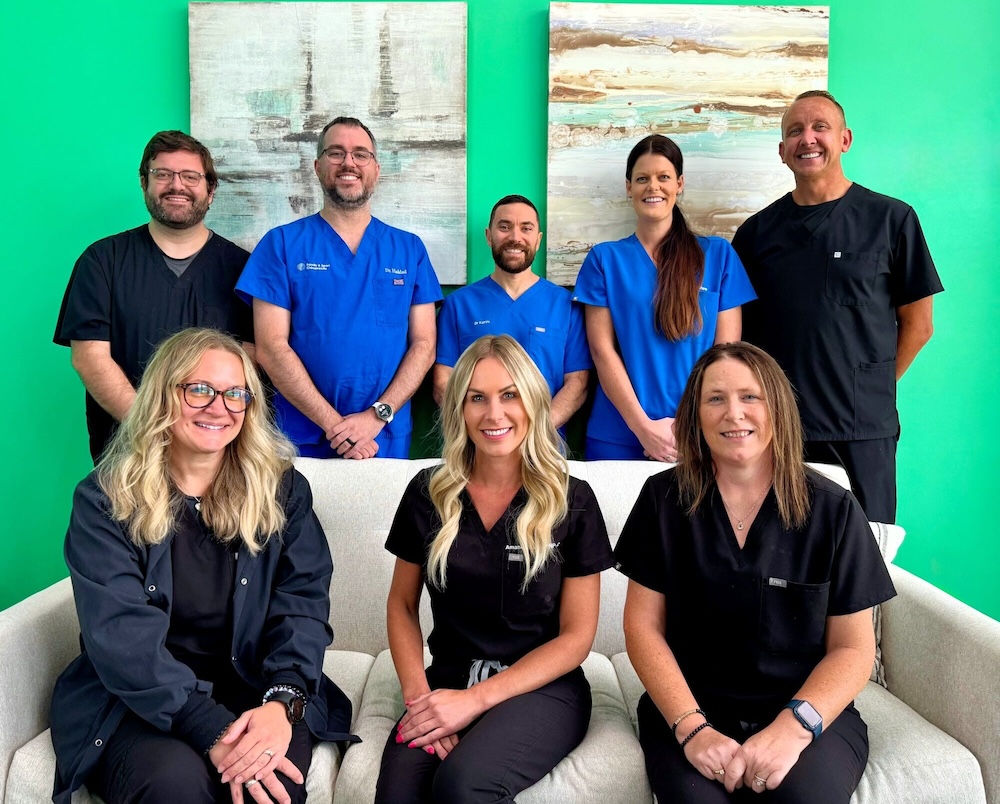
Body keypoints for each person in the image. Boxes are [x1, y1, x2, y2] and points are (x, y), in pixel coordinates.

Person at [50, 328, 356, 804]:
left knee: (270, 789)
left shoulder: (283, 491)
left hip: (257, 687)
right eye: (198, 390)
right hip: (141, 703)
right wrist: (210, 728)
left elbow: (303, 604)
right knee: (175, 786)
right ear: (161, 397)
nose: (220, 407)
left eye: (236, 393)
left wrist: (284, 700)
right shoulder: (104, 501)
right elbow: (122, 641)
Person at [615, 341, 896, 804]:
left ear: (777, 408)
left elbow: (853, 648)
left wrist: (793, 729)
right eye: (715, 399)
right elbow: (642, 627)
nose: (734, 413)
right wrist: (693, 729)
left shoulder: (833, 509)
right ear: (695, 415)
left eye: (751, 397)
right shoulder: (662, 499)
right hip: (691, 708)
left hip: (807, 711)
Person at [376, 334, 614, 803]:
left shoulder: (574, 500)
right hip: (447, 679)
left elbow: (577, 638)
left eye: (509, 396)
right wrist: (418, 698)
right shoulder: (428, 492)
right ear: (459, 409)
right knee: (398, 794)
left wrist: (476, 701)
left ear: (532, 403)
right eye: (477, 398)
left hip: (542, 688)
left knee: (463, 784)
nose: (494, 414)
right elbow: (402, 605)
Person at [732, 90, 943, 523]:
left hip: (863, 432)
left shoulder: (892, 219)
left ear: (844, 139)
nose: (807, 138)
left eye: (819, 127)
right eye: (795, 131)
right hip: (780, 430)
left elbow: (919, 325)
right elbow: (741, 339)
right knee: (783, 558)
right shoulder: (756, 234)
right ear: (782, 150)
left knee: (866, 555)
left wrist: (871, 386)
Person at [236, 116, 442, 460]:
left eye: (361, 154)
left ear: (376, 169)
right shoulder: (281, 245)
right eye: (336, 153)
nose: (349, 162)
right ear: (318, 166)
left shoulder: (409, 249)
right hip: (301, 434)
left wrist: (377, 417)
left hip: (383, 435)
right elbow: (271, 347)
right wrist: (336, 425)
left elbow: (424, 345)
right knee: (296, 514)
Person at [54, 131, 254, 463]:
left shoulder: (243, 269)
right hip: (128, 451)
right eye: (163, 174)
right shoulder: (103, 261)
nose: (177, 186)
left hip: (216, 455)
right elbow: (90, 358)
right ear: (144, 182)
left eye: (190, 176)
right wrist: (151, 428)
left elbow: (251, 361)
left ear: (211, 189)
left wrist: (200, 433)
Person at [573, 135, 756, 462]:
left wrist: (691, 426)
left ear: (679, 184)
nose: (652, 186)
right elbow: (602, 351)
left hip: (699, 434)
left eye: (663, 177)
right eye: (642, 178)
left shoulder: (718, 256)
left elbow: (724, 358)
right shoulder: (604, 259)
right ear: (629, 187)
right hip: (618, 434)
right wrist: (642, 427)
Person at [433, 195, 590, 430]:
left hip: (544, 448)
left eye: (526, 228)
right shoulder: (458, 305)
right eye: (504, 227)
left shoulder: (566, 306)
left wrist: (536, 434)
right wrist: (482, 430)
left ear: (538, 240)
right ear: (489, 236)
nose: (515, 237)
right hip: (478, 448)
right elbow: (443, 381)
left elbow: (577, 384)